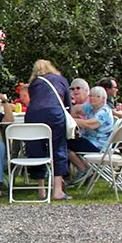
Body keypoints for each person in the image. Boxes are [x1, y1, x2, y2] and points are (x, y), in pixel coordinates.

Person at [24, 59, 71, 200]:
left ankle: (41, 189)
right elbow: (67, 104)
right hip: (55, 115)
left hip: (33, 115)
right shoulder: (61, 80)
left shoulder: (34, 83)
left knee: (36, 149)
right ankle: (57, 191)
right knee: (58, 148)